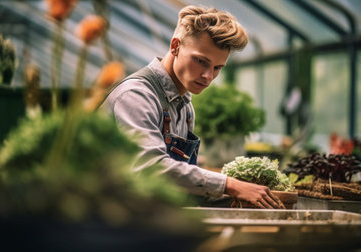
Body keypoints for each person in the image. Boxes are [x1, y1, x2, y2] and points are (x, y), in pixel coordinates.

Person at [100, 5, 282, 209]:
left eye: (217, 68)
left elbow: (177, 184)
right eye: (201, 61)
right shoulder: (136, 95)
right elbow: (149, 166)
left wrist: (232, 197)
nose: (208, 76)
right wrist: (228, 185)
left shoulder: (185, 107)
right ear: (175, 46)